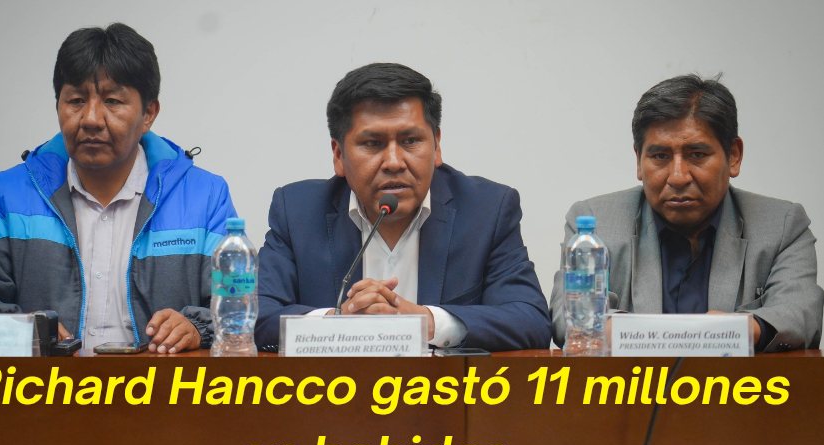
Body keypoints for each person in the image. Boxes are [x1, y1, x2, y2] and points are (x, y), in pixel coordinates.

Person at [0, 23, 235, 353]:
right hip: (43, 385)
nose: (91, 118)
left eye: (112, 101)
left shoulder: (205, 196)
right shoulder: (9, 195)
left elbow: (238, 303)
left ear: (149, 113)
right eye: (76, 100)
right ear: (58, 106)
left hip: (160, 384)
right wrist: (23, 330)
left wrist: (196, 327)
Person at [256, 62, 551, 351]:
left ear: (436, 145)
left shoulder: (486, 210)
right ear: (338, 155)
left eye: (410, 141)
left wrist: (424, 321)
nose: (394, 162)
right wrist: (340, 324)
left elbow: (530, 319)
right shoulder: (298, 212)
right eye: (372, 144)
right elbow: (254, 317)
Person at [551, 74, 823, 352]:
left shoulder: (781, 225)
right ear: (639, 161)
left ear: (734, 155)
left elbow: (801, 313)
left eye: (696, 154)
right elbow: (566, 317)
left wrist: (741, 329)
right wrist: (688, 334)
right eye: (660, 156)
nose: (678, 177)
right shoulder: (596, 224)